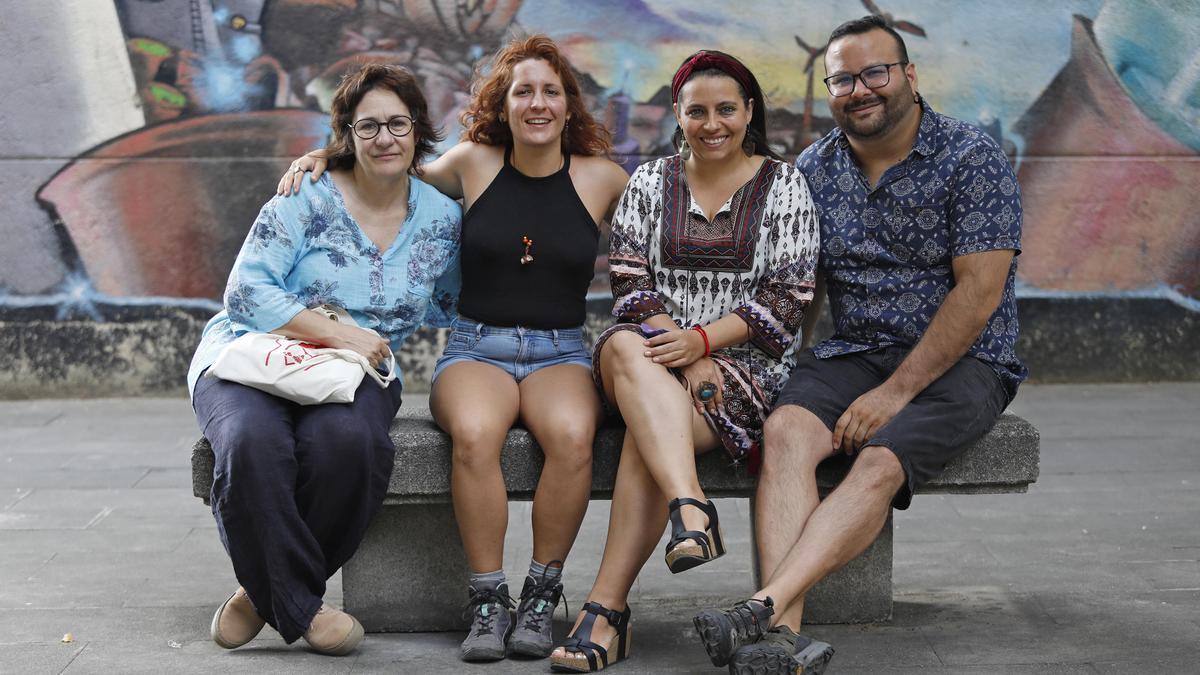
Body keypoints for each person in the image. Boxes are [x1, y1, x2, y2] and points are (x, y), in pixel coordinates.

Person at [691, 16, 1026, 675]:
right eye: (842, 78)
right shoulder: (813, 169)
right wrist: (764, 363)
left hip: (967, 362)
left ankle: (761, 605)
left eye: (875, 71)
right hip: (852, 352)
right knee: (786, 430)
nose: (859, 88)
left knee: (878, 459)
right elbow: (799, 286)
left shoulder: (972, 157)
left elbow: (979, 292)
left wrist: (895, 393)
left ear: (908, 75)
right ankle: (778, 640)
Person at [279, 35, 629, 662]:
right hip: (477, 348)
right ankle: (489, 600)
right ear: (505, 101)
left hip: (560, 352)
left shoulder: (604, 179)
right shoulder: (473, 162)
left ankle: (542, 595)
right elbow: (388, 170)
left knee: (574, 437)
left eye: (551, 91)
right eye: (524, 91)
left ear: (570, 106)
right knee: (474, 434)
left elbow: (667, 237)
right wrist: (322, 156)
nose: (538, 103)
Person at [547, 51, 819, 673]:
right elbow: (629, 281)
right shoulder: (650, 180)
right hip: (650, 358)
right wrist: (682, 349)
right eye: (697, 110)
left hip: (746, 375)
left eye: (727, 109)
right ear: (678, 114)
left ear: (750, 112)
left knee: (650, 431)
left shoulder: (785, 185)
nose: (712, 122)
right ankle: (689, 505)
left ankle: (606, 613)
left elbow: (787, 296)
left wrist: (702, 345)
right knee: (620, 341)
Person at [189, 64, 461, 655]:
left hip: (359, 371)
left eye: (398, 123)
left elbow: (457, 303)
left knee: (351, 447)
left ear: (418, 131)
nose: (385, 137)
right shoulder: (305, 193)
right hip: (251, 354)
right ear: (346, 134)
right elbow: (246, 292)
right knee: (252, 445)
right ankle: (303, 609)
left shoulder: (442, 220)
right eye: (368, 127)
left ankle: (262, 594)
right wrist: (342, 335)